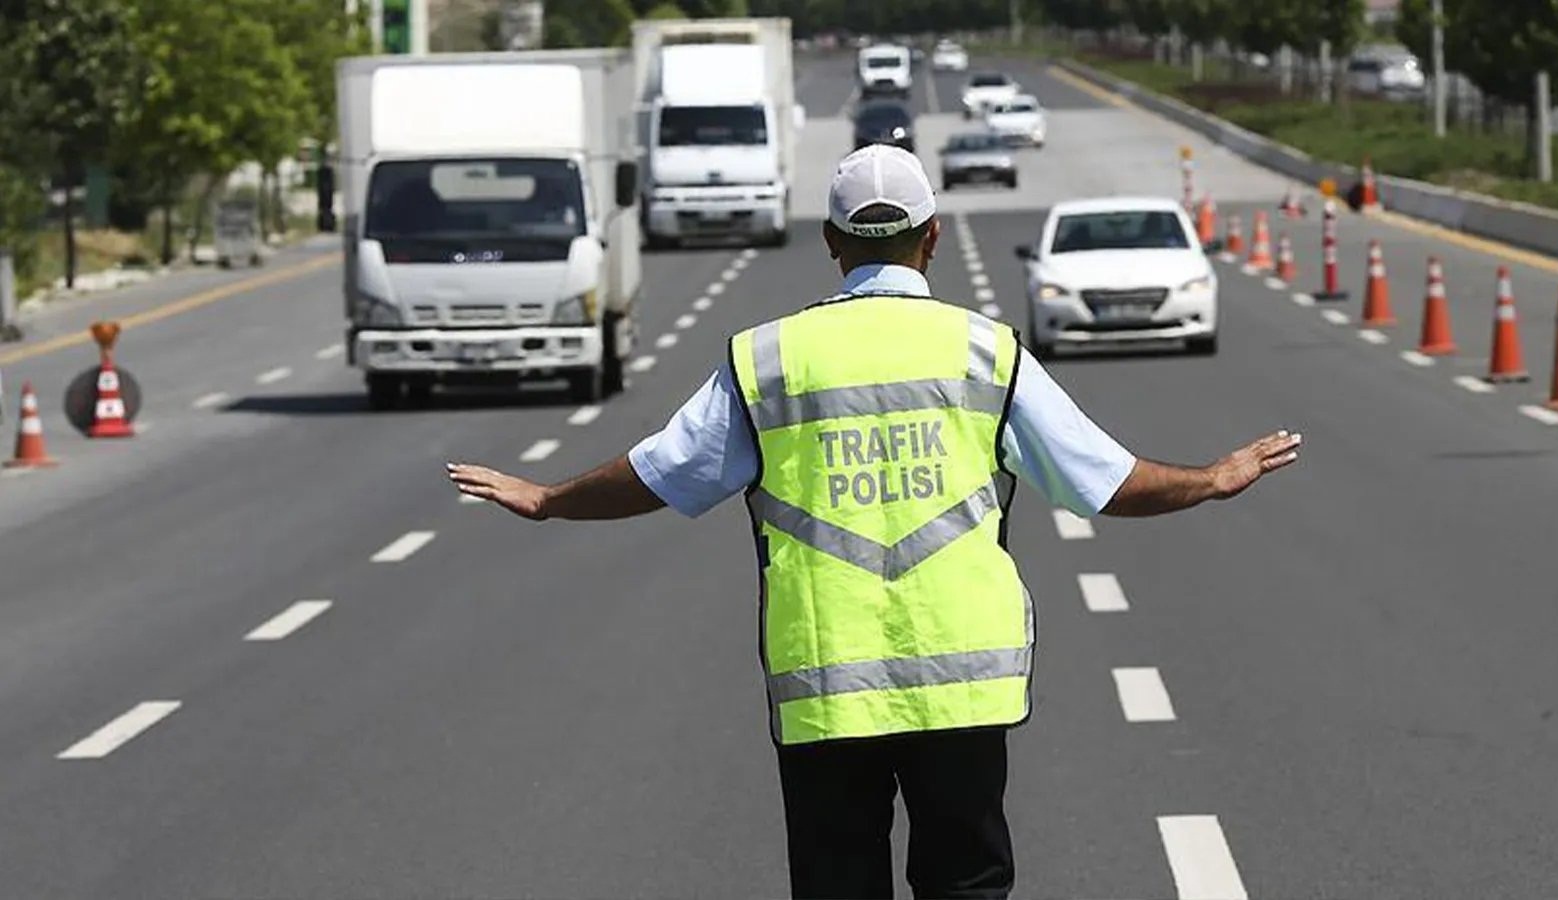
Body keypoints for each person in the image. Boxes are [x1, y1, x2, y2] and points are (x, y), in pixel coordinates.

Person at [447, 145, 1302, 899]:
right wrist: (1213, 478)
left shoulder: (770, 359)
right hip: (963, 685)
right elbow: (1103, 482)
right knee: (966, 884)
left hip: (826, 683)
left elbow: (662, 473)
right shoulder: (984, 351)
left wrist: (548, 498)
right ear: (930, 239)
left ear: (831, 244)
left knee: (838, 884)